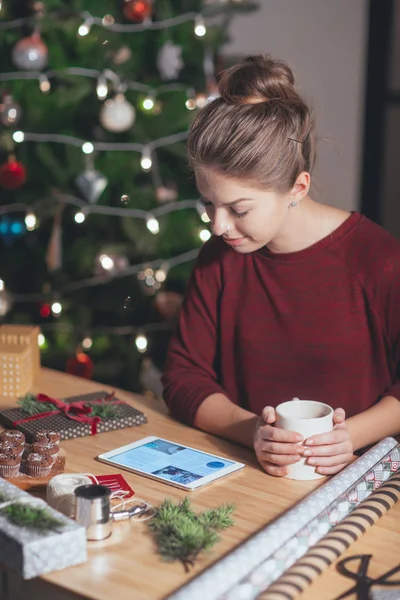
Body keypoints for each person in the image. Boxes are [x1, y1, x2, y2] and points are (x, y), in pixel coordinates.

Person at [161, 54, 400, 477]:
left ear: (297, 187)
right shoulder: (220, 260)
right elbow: (182, 378)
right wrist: (253, 430)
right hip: (249, 482)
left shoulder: (376, 259)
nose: (218, 226)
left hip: (358, 486)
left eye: (238, 208)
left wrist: (353, 436)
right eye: (209, 204)